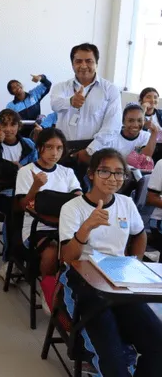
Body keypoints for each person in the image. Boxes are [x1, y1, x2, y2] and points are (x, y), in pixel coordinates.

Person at [59, 148, 162, 376]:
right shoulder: (72, 208)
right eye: (105, 171)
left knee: (158, 342)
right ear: (91, 174)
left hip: (119, 281)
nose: (113, 178)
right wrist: (86, 228)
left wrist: (133, 263)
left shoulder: (126, 203)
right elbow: (67, 257)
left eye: (119, 173)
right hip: (83, 282)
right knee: (113, 356)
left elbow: (139, 234)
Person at [0, 109, 38, 276]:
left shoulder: (28, 145)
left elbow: (38, 168)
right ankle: (10, 260)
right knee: (15, 214)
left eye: (13, 124)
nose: (9, 128)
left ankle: (29, 258)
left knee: (37, 216)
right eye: (4, 124)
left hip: (27, 192)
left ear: (19, 126)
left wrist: (23, 170)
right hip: (0, 194)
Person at [14, 128, 81, 276]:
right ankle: (48, 294)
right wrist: (35, 187)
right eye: (49, 147)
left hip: (66, 226)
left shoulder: (67, 172)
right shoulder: (26, 171)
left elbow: (78, 199)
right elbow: (22, 206)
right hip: (36, 228)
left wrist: (46, 199)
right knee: (51, 253)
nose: (54, 153)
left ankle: (67, 289)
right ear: (39, 148)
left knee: (80, 250)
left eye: (59, 148)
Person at [50, 43, 121, 143]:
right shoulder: (60, 87)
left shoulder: (110, 89)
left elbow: (112, 125)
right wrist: (70, 101)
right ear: (72, 65)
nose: (83, 66)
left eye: (89, 61)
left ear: (96, 63)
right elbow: (54, 105)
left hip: (96, 148)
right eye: (78, 61)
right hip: (64, 146)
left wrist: (91, 149)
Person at [78, 103, 157, 165]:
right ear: (123, 122)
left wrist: (154, 132)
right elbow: (85, 155)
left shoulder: (146, 136)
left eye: (140, 120)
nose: (135, 124)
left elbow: (144, 157)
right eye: (130, 120)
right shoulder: (111, 135)